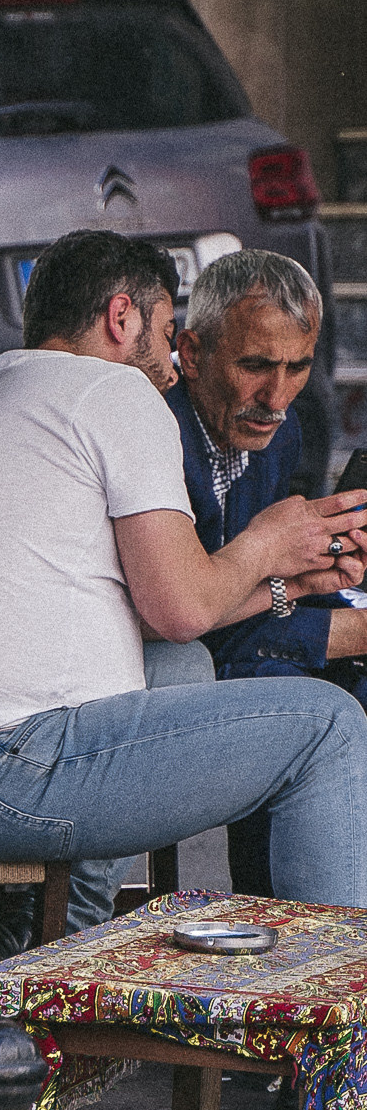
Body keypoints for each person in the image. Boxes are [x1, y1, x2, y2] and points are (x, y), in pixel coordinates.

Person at [0, 230, 367, 904]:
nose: (171, 366)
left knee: (180, 668)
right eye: (167, 331)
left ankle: (62, 936)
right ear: (122, 317)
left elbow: (157, 618)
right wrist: (266, 544)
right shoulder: (113, 392)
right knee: (328, 726)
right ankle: (328, 971)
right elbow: (183, 609)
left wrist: (291, 582)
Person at [167, 246, 367, 891]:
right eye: (255, 365)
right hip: (170, 665)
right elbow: (192, 622)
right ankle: (288, 928)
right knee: (302, 704)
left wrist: (331, 577)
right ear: (191, 353)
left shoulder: (282, 436)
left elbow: (270, 583)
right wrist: (340, 629)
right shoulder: (157, 441)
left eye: (297, 367)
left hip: (243, 643)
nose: (276, 397)